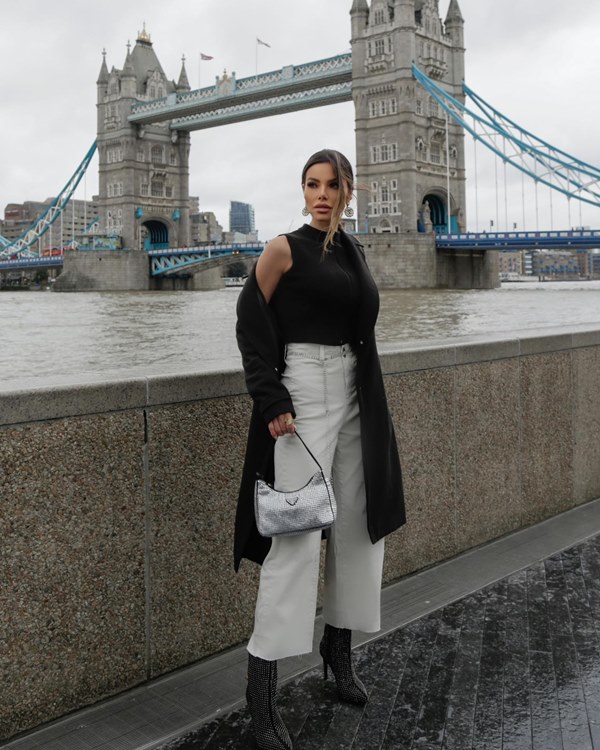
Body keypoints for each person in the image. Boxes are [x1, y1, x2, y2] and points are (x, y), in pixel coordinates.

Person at [235, 149, 405, 750]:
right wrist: (272, 397)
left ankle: (339, 652)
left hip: (357, 388)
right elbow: (249, 322)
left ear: (349, 191)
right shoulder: (285, 248)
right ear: (302, 190)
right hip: (303, 391)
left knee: (360, 526)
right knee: (297, 532)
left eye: (333, 185)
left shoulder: (354, 251)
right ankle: (262, 687)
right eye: (313, 184)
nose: (323, 194)